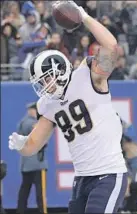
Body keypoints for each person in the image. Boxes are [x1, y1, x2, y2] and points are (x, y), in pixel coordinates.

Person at [8, 2, 128, 214]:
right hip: (81, 178)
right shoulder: (48, 103)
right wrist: (22, 144)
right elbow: (33, 146)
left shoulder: (87, 76)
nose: (45, 87)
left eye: (47, 80)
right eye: (41, 83)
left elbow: (111, 46)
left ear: (60, 70)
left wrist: (84, 17)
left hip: (108, 174)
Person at [16, 102, 48, 214]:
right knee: (41, 193)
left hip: (25, 164)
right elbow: (43, 141)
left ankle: (20, 211)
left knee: (24, 191)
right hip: (37, 164)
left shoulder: (21, 123)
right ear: (34, 110)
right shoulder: (35, 124)